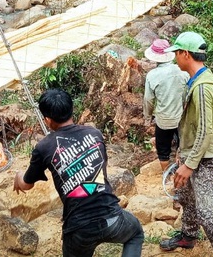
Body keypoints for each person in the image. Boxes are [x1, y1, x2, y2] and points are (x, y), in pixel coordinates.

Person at [14, 89, 144, 257]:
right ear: (71, 110)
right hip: (112, 217)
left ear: (47, 120)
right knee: (135, 233)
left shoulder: (43, 147)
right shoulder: (94, 134)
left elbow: (26, 184)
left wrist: (18, 176)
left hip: (79, 230)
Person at [161, 32, 213, 256]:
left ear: (186, 54)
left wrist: (189, 164)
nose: (175, 57)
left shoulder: (203, 87)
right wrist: (181, 154)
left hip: (202, 159)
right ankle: (188, 235)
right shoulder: (197, 81)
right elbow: (193, 126)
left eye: (177, 52)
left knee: (208, 214)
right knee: (186, 198)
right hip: (192, 154)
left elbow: (205, 131)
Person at [143, 39, 188, 171]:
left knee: (163, 148)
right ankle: (182, 171)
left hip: (163, 119)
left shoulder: (152, 75)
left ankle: (166, 175)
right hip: (182, 117)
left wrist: (147, 118)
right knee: (183, 145)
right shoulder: (182, 70)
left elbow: (148, 100)